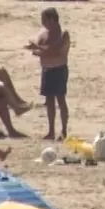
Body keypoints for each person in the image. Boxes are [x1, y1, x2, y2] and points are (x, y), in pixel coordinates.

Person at [30, 7, 71, 141]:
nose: (43, 23)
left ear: (52, 19)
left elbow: (55, 51)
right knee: (49, 101)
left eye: (44, 20)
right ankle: (51, 131)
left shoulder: (63, 34)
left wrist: (39, 49)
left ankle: (64, 130)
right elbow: (37, 51)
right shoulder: (44, 34)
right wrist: (40, 50)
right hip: (47, 70)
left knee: (60, 99)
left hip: (59, 69)